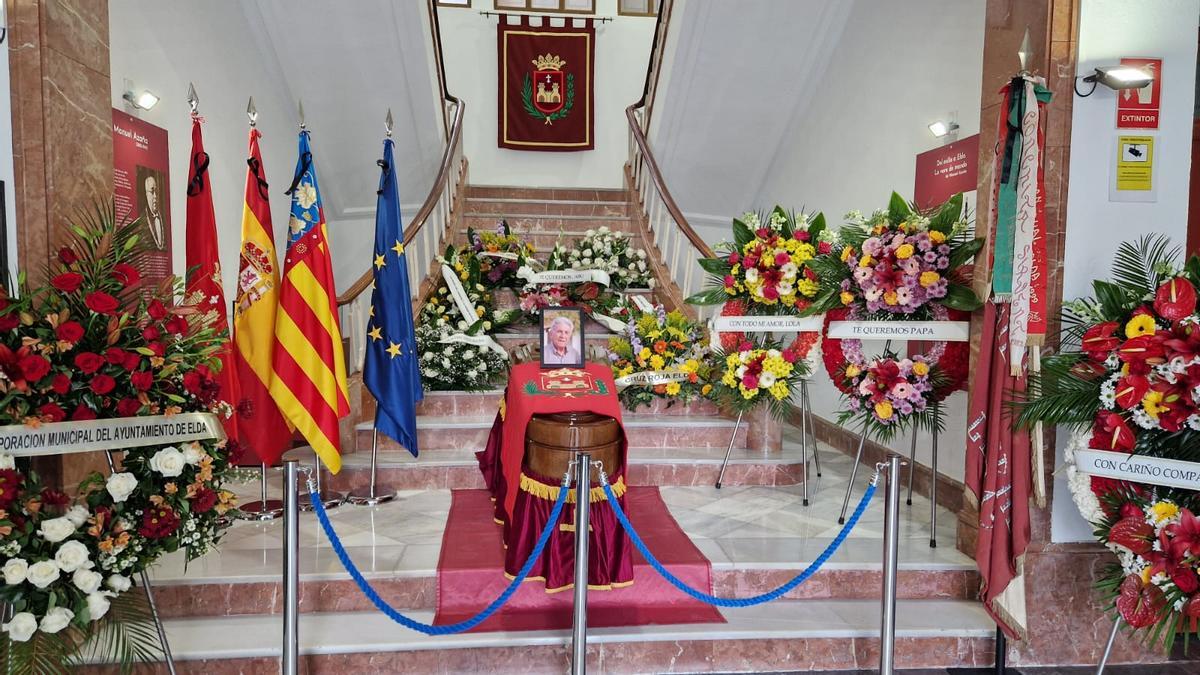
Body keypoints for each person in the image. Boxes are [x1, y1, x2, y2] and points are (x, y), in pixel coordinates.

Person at [143, 174, 165, 249]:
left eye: (156, 191)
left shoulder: (164, 219)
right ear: (146, 195)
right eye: (152, 192)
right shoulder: (142, 221)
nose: (155, 196)